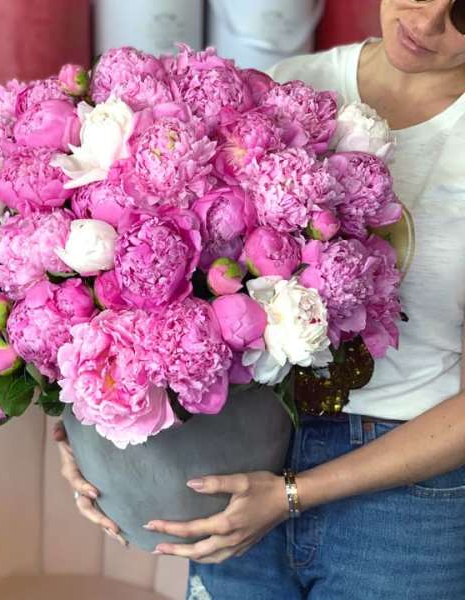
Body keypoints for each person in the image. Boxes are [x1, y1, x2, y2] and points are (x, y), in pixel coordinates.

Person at [55, 1, 465, 597]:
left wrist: (293, 494)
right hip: (236, 455)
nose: (426, 23)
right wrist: (92, 434)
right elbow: (134, 289)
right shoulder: (287, 91)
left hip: (402, 506)